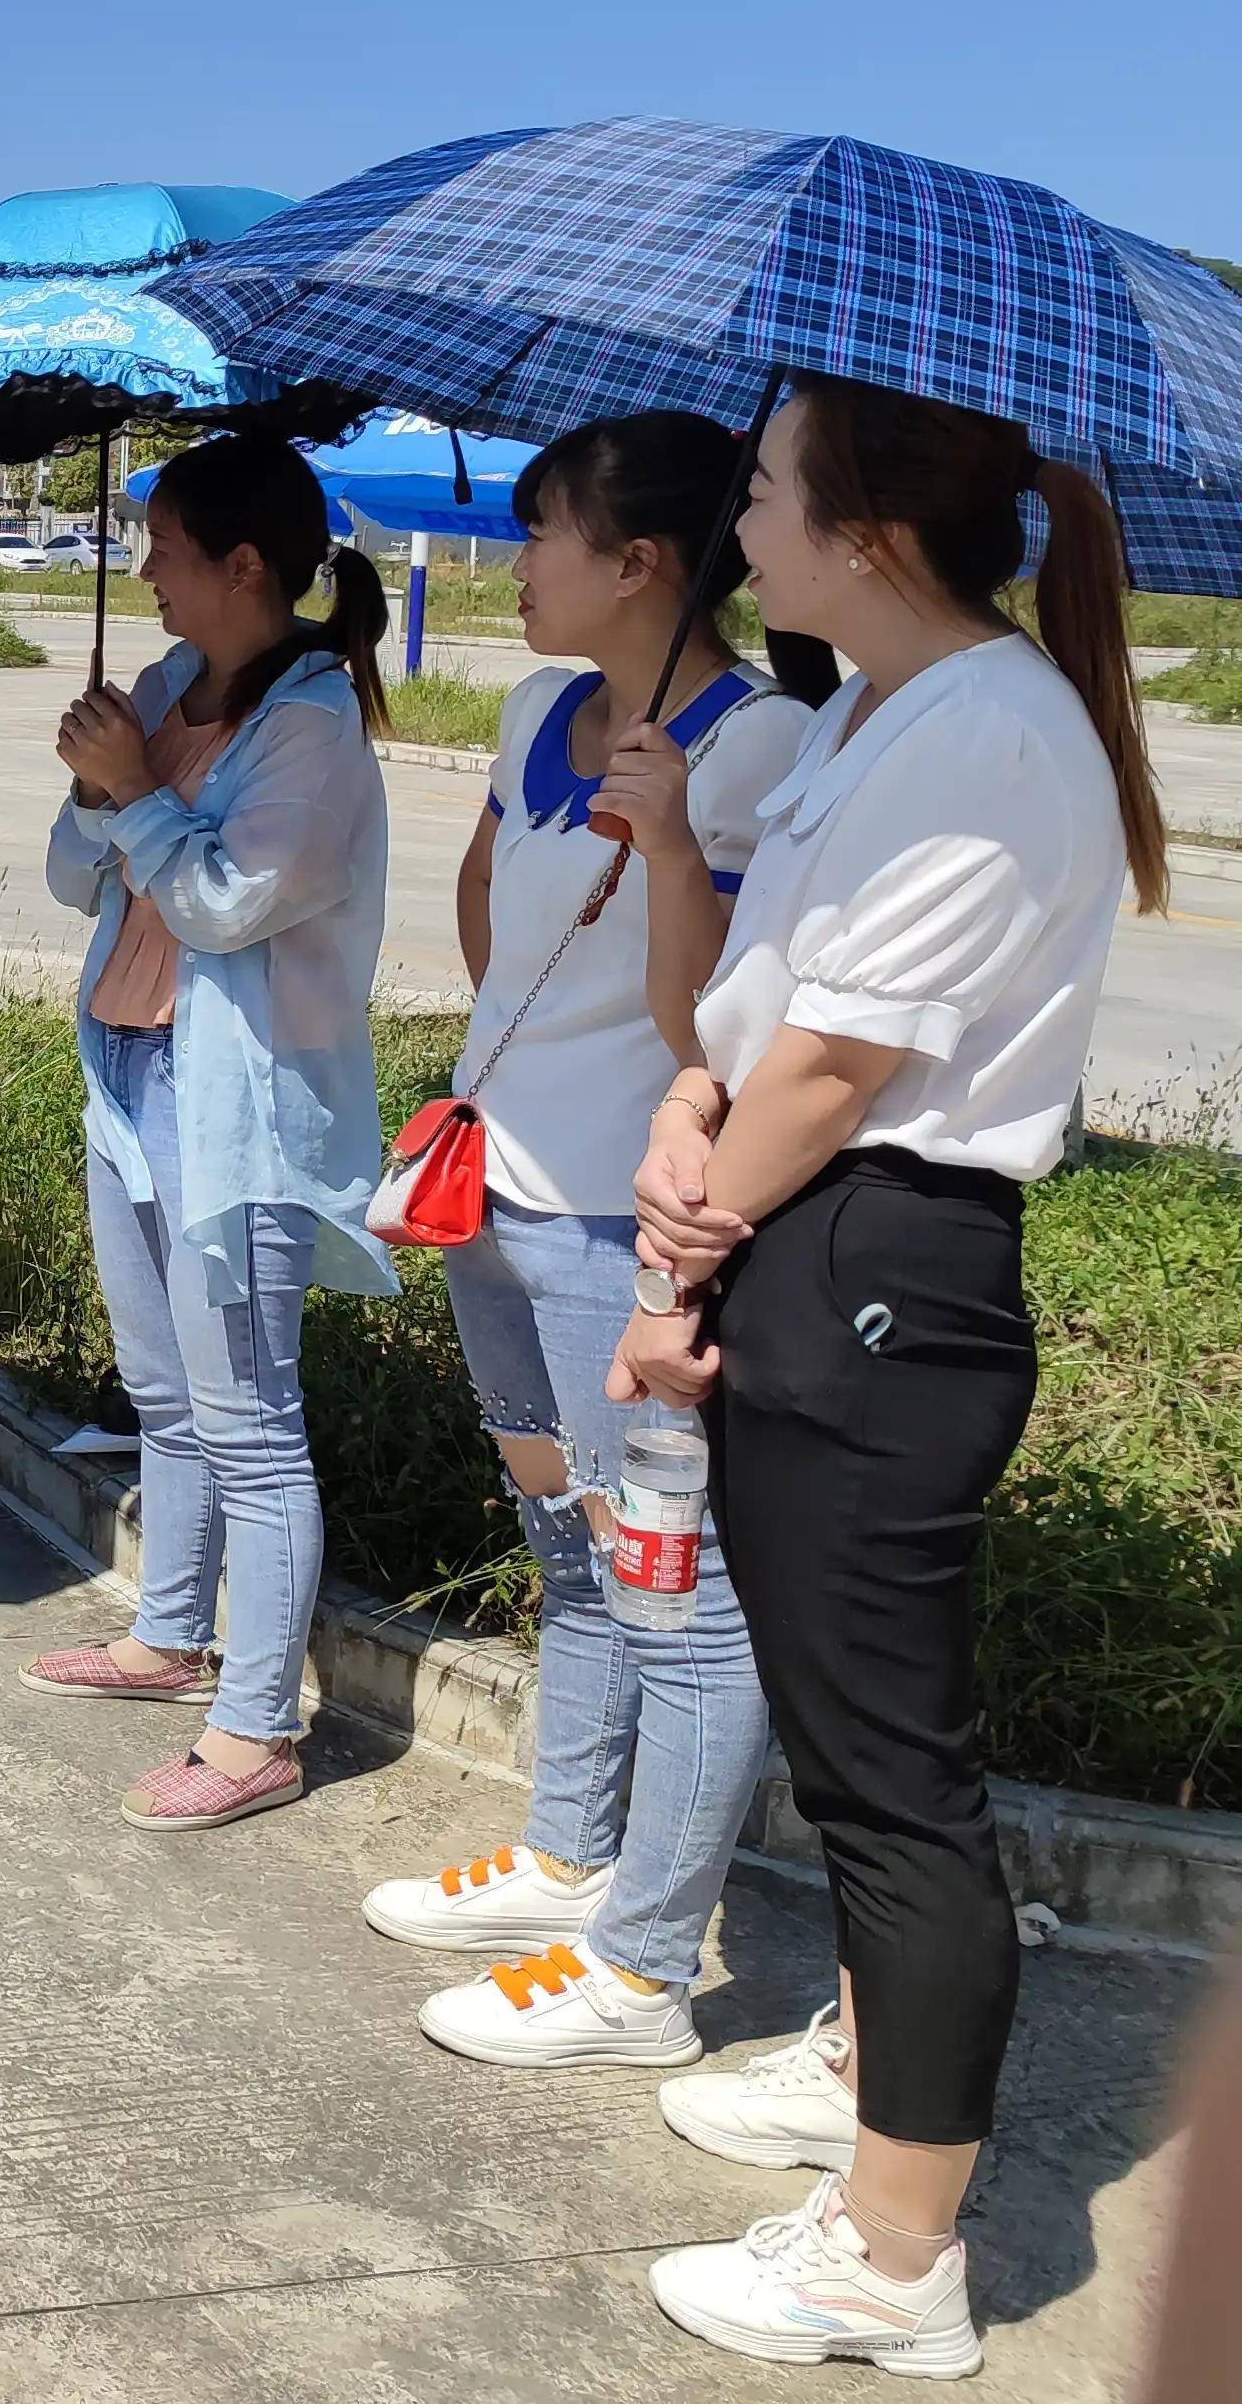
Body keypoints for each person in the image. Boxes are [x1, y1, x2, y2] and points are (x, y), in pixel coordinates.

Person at [621, 377, 1163, 2378]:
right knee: (858, 1753)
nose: (735, 522)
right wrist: (694, 1100)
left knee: (887, 1787)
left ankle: (891, 2259)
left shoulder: (985, 736)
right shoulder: (877, 708)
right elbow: (771, 1020)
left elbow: (843, 1069)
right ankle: (862, 2073)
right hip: (814, 1233)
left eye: (759, 490)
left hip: (873, 1263)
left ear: (858, 527)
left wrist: (681, 1242)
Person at [352, 414, 815, 2064]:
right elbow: (493, 909)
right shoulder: (540, 704)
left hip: (624, 1229)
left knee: (670, 1589)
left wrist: (677, 840)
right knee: (567, 1547)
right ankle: (566, 1857)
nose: (519, 561)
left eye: (544, 532)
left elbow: (725, 1026)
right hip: (495, 1202)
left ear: (638, 564)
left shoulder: (762, 752)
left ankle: (643, 1964)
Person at [27, 432, 396, 1830]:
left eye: (168, 550)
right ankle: (168, 1636)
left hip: (229, 1098)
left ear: (244, 565)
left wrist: (136, 794)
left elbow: (231, 901)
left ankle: (256, 1732)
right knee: (166, 1395)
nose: (150, 577)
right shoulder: (170, 686)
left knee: (250, 1417)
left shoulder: (310, 727)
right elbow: (78, 879)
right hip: (124, 1068)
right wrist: (100, 781)